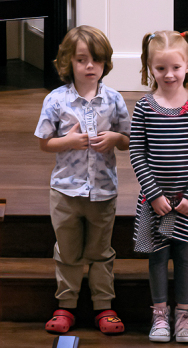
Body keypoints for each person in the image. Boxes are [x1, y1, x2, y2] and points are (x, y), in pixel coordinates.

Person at [35, 25, 130, 335]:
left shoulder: (113, 99)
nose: (90, 66)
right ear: (68, 63)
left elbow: (128, 138)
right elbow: (44, 143)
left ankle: (104, 306)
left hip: (103, 191)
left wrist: (115, 137)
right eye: (81, 60)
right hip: (65, 190)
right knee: (68, 251)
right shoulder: (56, 100)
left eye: (97, 60)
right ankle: (66, 305)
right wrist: (69, 141)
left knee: (102, 252)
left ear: (105, 63)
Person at [130, 30, 188, 343]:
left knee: (185, 256)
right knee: (157, 257)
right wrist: (152, 195)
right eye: (161, 68)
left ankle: (183, 315)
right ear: (149, 68)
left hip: (186, 202)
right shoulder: (144, 107)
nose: (169, 74)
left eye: (176, 67)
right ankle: (160, 315)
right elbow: (137, 152)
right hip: (155, 203)